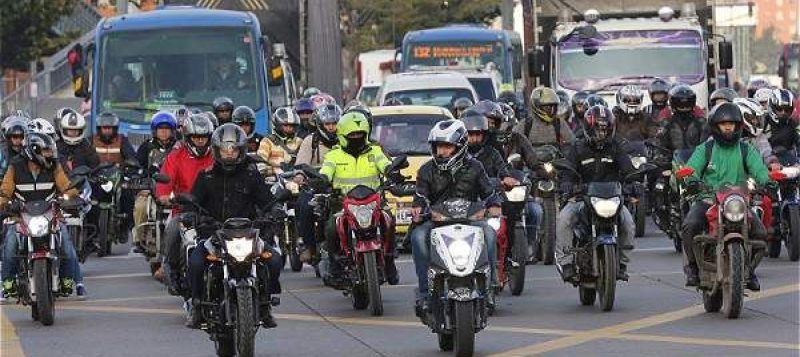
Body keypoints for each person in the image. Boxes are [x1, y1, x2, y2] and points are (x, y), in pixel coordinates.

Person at [185, 123, 282, 328]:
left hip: (248, 233)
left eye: (234, 150)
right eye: (224, 150)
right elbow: (193, 202)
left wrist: (274, 211)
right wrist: (191, 213)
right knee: (195, 262)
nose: (229, 154)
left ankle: (265, 304)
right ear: (216, 150)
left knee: (275, 261)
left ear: (241, 150)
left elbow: (267, 201)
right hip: (214, 235)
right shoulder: (206, 176)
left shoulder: (251, 175)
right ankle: (196, 305)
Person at [409, 119, 501, 313]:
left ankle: (491, 286)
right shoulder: (426, 169)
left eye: (446, 146)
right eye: (437, 146)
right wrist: (418, 209)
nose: (441, 152)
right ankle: (425, 294)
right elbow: (420, 195)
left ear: (459, 146)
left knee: (491, 234)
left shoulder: (475, 167)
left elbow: (488, 192)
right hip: (437, 223)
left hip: (470, 222)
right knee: (417, 236)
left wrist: (494, 205)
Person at [679, 102, 772, 290]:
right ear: (716, 126)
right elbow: (692, 169)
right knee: (690, 226)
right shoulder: (705, 149)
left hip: (738, 202)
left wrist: (768, 182)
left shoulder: (746, 149)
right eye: (724, 124)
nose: (728, 127)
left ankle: (748, 270)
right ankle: (693, 268)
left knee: (760, 233)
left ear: (739, 126)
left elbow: (760, 170)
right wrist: (691, 180)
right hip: (708, 199)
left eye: (732, 123)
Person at [319, 112, 401, 288]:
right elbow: (325, 172)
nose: (356, 138)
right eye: (352, 136)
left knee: (389, 220)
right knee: (332, 227)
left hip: (374, 201)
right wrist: (321, 180)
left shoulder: (375, 151)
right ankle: (335, 265)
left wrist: (393, 172)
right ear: (342, 136)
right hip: (342, 203)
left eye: (360, 135)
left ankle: (389, 260)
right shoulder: (334, 155)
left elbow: (385, 165)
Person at [556, 105, 636, 281]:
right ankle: (567, 263)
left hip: (612, 198)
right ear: (589, 128)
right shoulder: (578, 148)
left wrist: (633, 184)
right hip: (581, 197)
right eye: (598, 129)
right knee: (563, 220)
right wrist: (567, 185)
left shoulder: (616, 147)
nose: (602, 134)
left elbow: (628, 170)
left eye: (605, 129)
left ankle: (621, 263)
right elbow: (567, 172)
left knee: (628, 223)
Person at [1, 133, 85, 296]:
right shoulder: (15, 166)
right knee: (10, 245)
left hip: (51, 215)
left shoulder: (54, 166)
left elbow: (65, 186)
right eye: (46, 151)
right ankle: (7, 282)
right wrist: (5, 203)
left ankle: (70, 280)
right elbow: (5, 191)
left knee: (66, 245)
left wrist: (74, 196)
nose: (50, 154)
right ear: (34, 151)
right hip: (21, 217)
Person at [157, 114, 215, 294]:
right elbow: (164, 183)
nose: (200, 141)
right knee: (173, 230)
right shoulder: (176, 156)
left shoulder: (218, 155)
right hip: (184, 210)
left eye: (203, 137)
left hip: (214, 210)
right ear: (188, 138)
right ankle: (171, 270)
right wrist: (165, 196)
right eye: (196, 137)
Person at [294, 103, 342, 263]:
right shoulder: (310, 141)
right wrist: (300, 176)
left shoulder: (345, 140)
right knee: (304, 207)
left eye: (334, 123)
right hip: (315, 186)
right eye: (328, 124)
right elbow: (301, 165)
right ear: (320, 125)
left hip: (341, 186)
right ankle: (310, 246)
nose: (331, 128)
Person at [132, 111, 178, 253]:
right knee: (140, 206)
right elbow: (137, 166)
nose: (164, 132)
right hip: (150, 187)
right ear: (154, 131)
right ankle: (139, 240)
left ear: (172, 131)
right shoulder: (146, 146)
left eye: (167, 129)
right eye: (160, 129)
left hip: (174, 188)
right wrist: (140, 181)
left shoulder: (179, 147)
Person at [657, 85, 707, 156]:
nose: (684, 108)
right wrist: (661, 157)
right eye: (681, 105)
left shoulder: (701, 123)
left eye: (687, 105)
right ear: (673, 104)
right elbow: (659, 144)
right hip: (673, 162)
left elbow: (707, 143)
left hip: (697, 161)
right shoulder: (667, 124)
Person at [256, 107, 302, 176]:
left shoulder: (300, 142)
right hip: (274, 180)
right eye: (286, 125)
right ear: (277, 125)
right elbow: (260, 165)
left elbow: (307, 163)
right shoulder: (267, 141)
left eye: (292, 126)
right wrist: (274, 170)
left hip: (297, 178)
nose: (289, 128)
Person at [765, 88, 799, 167]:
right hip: (765, 164)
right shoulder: (763, 122)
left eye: (787, 109)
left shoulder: (794, 124)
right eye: (779, 108)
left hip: (789, 165)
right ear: (772, 107)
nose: (783, 112)